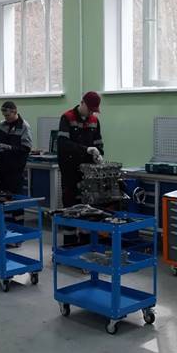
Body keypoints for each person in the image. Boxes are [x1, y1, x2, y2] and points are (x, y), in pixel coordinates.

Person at [57, 91, 104, 245]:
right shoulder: (67, 118)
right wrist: (86, 149)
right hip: (70, 170)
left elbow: (98, 143)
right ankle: (69, 244)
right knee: (70, 206)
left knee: (87, 206)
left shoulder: (94, 121)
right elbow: (63, 144)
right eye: (89, 109)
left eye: (93, 110)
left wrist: (99, 154)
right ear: (82, 103)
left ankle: (85, 244)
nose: (91, 113)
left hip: (87, 173)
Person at [0, 101, 33, 222]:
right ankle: (5, 226)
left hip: (16, 170)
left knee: (16, 200)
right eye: (4, 116)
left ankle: (18, 226)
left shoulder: (24, 127)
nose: (6, 118)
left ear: (15, 112)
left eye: (8, 115)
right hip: (3, 168)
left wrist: (9, 147)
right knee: (3, 198)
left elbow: (26, 149)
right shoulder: (2, 125)